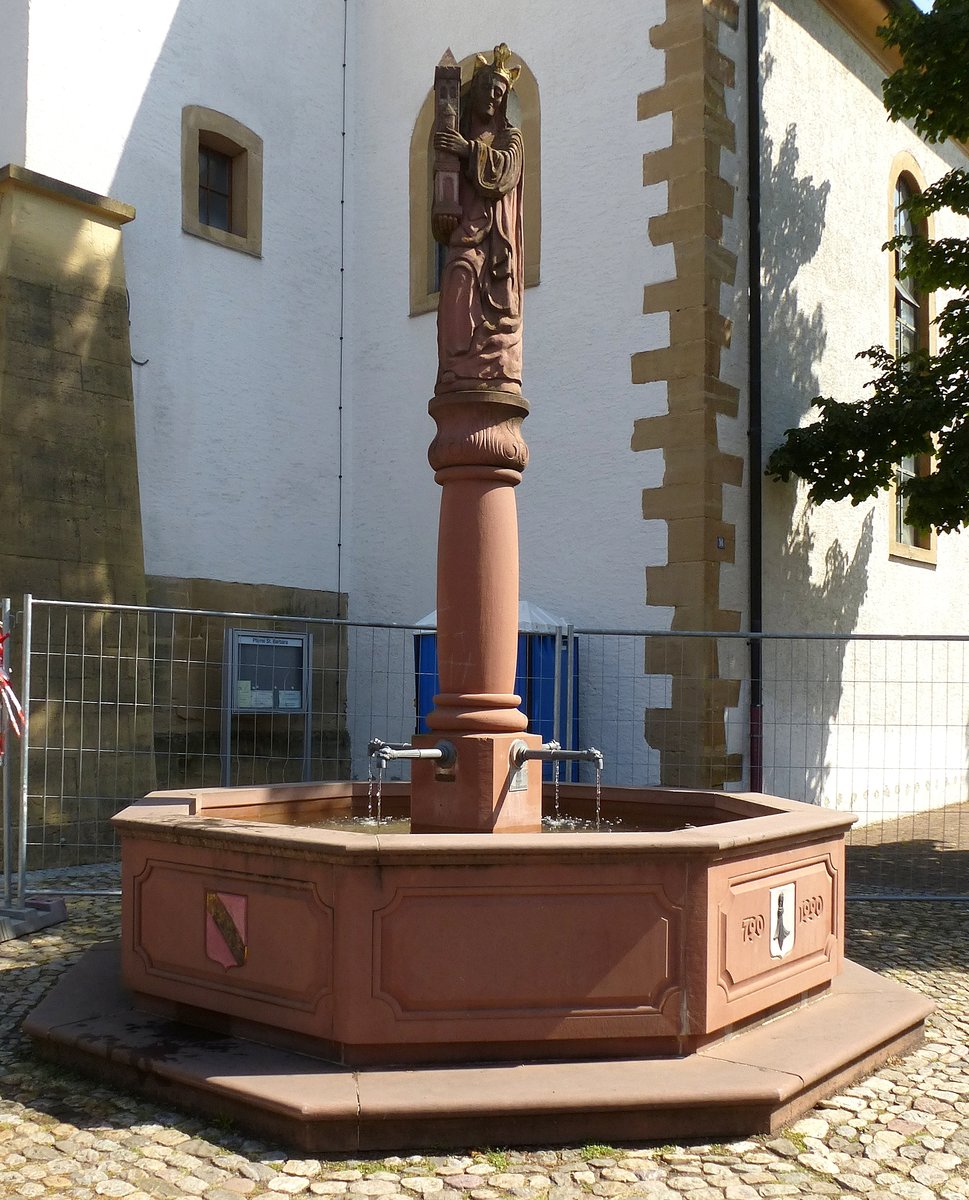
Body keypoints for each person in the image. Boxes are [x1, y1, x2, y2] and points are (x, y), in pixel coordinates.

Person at [433, 45, 523, 396]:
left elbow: (503, 173)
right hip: (467, 231)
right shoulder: (459, 134)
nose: (491, 97)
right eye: (486, 89)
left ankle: (492, 366)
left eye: (498, 93)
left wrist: (467, 150)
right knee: (458, 276)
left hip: (496, 238)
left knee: (496, 307)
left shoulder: (510, 137)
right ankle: (456, 365)